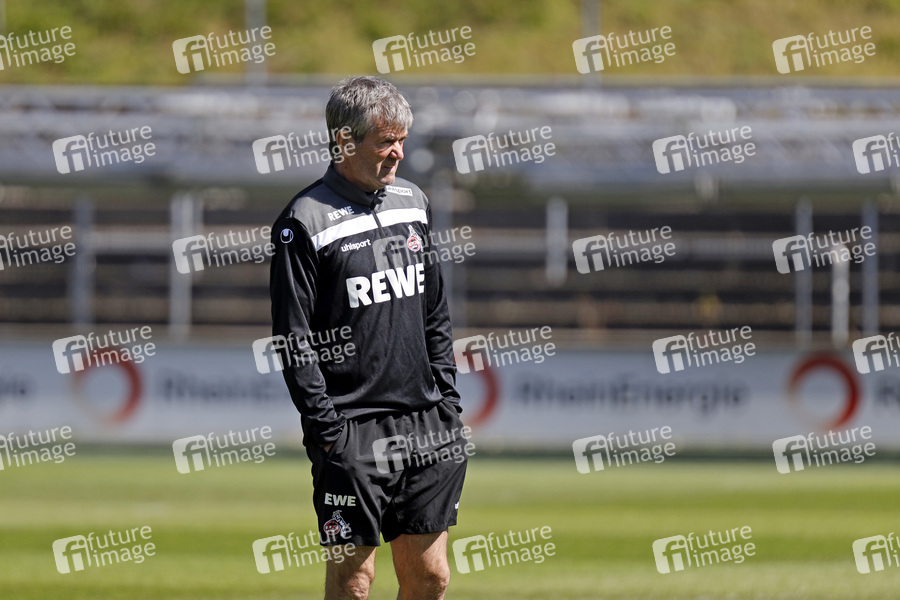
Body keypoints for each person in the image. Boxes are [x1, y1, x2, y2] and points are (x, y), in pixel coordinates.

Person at [269, 75, 467, 600]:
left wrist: (448, 402)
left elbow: (435, 311)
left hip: (426, 422)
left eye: (402, 139)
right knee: (355, 581)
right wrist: (327, 430)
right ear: (344, 142)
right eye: (385, 141)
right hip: (352, 428)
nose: (398, 152)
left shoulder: (414, 201)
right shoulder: (302, 221)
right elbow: (293, 338)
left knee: (431, 577)